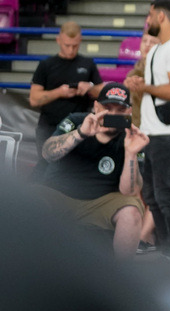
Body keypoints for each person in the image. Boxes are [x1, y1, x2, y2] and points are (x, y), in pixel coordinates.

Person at [36, 82, 149, 259]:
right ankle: (30, 268)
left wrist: (131, 153)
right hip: (58, 193)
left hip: (101, 202)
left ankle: (122, 276)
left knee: (132, 212)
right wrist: (80, 133)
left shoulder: (132, 137)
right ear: (96, 106)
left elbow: (130, 191)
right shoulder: (76, 121)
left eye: (120, 110)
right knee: (33, 199)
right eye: (107, 107)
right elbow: (47, 153)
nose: (112, 114)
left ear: (129, 112)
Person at [124, 0, 170, 260]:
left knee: (165, 195)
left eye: (150, 15)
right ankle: (169, 251)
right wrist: (140, 83)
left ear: (162, 17)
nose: (148, 20)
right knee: (152, 195)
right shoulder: (159, 49)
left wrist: (144, 87)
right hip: (154, 132)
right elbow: (161, 87)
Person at [28, 22, 104, 172]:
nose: (70, 50)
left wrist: (90, 88)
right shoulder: (46, 65)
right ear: (58, 40)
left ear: (80, 41)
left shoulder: (87, 64)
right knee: (46, 167)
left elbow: (102, 93)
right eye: (67, 45)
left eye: (75, 46)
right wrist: (59, 92)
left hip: (79, 127)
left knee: (75, 171)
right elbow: (34, 99)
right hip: (49, 126)